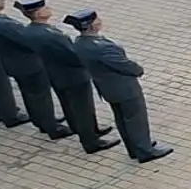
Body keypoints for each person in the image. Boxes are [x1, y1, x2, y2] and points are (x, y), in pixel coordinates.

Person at [67, 9, 173, 163]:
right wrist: (138, 69)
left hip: (107, 88)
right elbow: (123, 64)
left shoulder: (79, 43)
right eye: (96, 20)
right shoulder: (102, 47)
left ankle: (134, 147)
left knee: (122, 119)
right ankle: (145, 150)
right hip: (124, 88)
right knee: (136, 119)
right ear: (91, 25)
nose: (99, 21)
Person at [21, 0, 117, 153]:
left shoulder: (29, 30)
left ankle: (83, 128)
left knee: (69, 104)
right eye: (44, 8)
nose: (49, 8)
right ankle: (91, 141)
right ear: (38, 14)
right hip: (73, 75)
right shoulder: (53, 35)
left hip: (54, 72)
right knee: (82, 108)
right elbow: (73, 56)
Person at [0, 0, 66, 139]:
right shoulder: (6, 24)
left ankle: (40, 121)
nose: (3, 0)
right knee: (41, 96)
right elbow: (28, 42)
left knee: (29, 94)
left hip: (12, 62)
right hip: (29, 64)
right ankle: (52, 127)